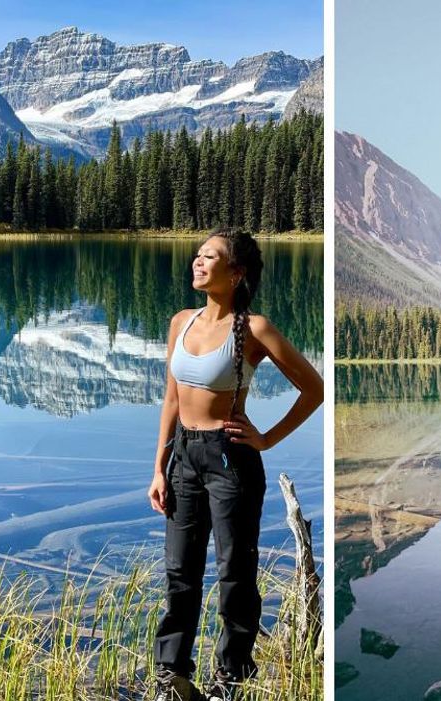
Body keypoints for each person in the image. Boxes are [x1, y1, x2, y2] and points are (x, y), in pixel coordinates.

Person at [147, 229, 324, 701]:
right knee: (180, 572)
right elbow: (170, 397)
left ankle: (230, 679)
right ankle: (172, 678)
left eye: (211, 257)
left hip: (231, 461)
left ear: (237, 272)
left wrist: (265, 438)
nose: (198, 262)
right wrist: (159, 467)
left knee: (235, 575)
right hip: (183, 455)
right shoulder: (180, 321)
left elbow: (314, 389)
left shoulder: (254, 329)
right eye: (198, 254)